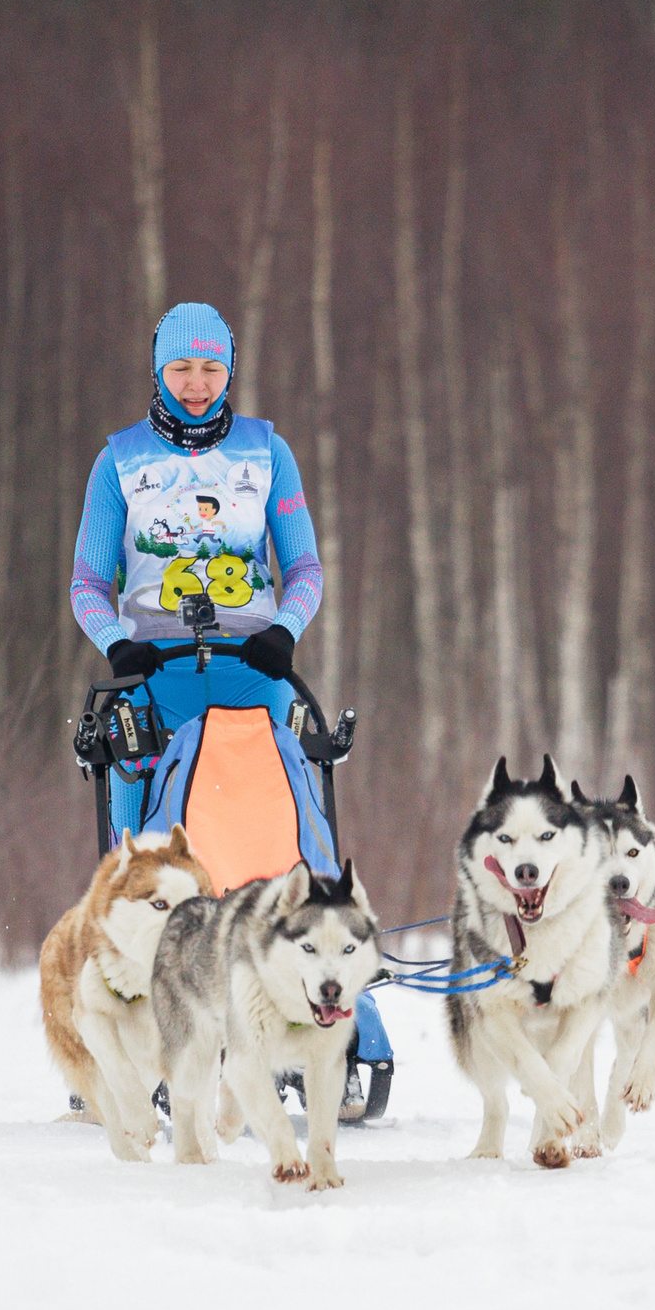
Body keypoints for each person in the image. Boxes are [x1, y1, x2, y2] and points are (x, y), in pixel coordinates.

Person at [66, 302, 388, 1118]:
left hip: (254, 674)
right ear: (158, 371)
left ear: (230, 370)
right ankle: (138, 1040)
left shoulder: (267, 452)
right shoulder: (120, 463)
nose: (198, 384)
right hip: (155, 678)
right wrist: (116, 643)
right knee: (146, 867)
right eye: (183, 369)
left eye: (211, 369)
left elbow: (306, 565)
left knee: (290, 847)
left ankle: (341, 1024)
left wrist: (286, 629)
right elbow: (86, 583)